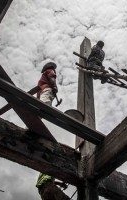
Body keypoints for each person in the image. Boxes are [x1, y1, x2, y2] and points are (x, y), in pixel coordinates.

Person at [36, 61, 70, 200]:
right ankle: (44, 111)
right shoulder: (50, 72)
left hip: (43, 190)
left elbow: (48, 178)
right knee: (47, 100)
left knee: (44, 99)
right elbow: (52, 79)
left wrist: (60, 182)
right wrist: (55, 86)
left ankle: (41, 110)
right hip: (46, 189)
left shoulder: (45, 170)